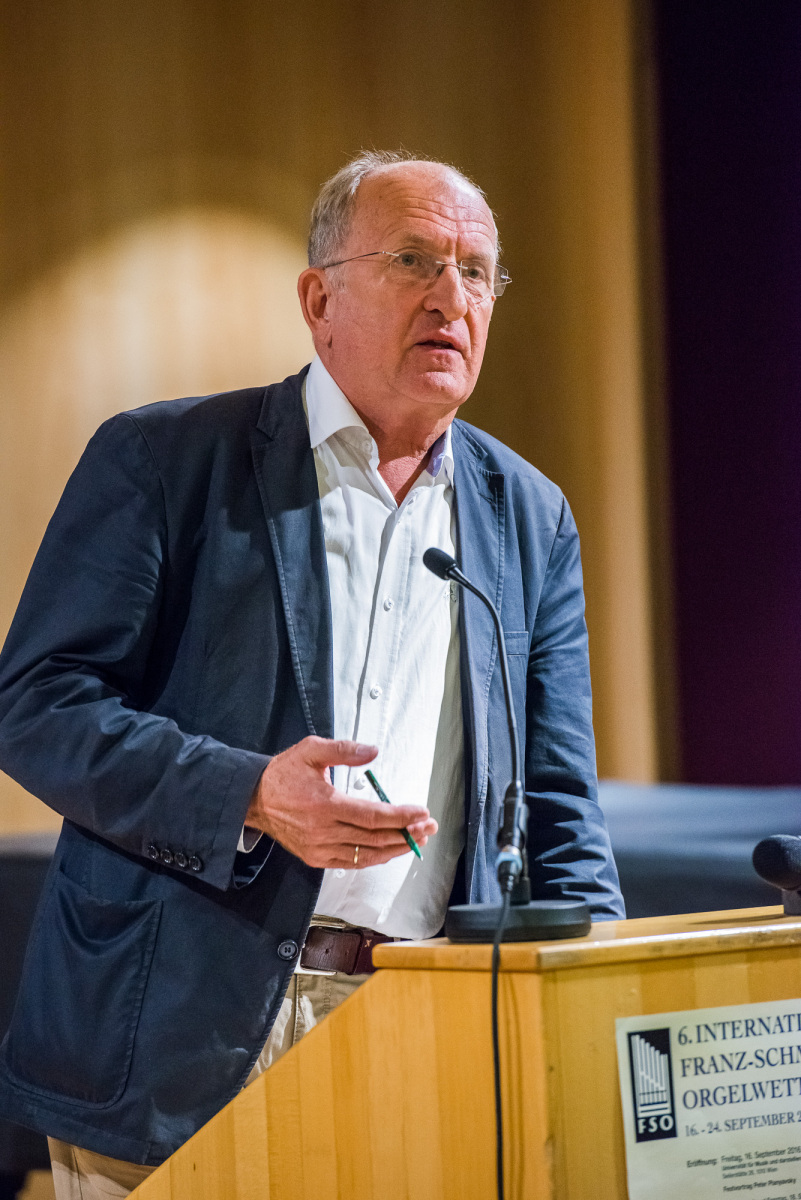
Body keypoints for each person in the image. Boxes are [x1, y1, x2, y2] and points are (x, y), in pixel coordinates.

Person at [0, 150, 623, 1197]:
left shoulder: (529, 515)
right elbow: (37, 705)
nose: (451, 297)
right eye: (414, 260)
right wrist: (249, 793)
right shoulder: (167, 459)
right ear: (318, 299)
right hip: (176, 1032)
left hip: (424, 1033)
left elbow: (559, 802)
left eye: (476, 271)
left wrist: (599, 1012)